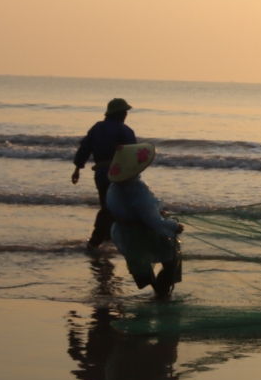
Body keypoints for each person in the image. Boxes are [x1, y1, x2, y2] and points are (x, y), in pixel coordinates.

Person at [104, 142, 184, 299]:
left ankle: (158, 291)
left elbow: (131, 210)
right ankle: (161, 292)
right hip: (142, 233)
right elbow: (152, 220)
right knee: (172, 256)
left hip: (122, 232)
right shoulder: (138, 187)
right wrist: (174, 226)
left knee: (141, 265)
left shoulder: (113, 187)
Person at [71, 98, 136, 247]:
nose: (126, 114)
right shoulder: (124, 130)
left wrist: (77, 168)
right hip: (119, 175)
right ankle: (96, 241)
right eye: (125, 111)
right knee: (112, 209)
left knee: (107, 206)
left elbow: (84, 148)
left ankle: (106, 240)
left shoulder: (97, 128)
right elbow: (133, 155)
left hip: (100, 174)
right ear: (120, 113)